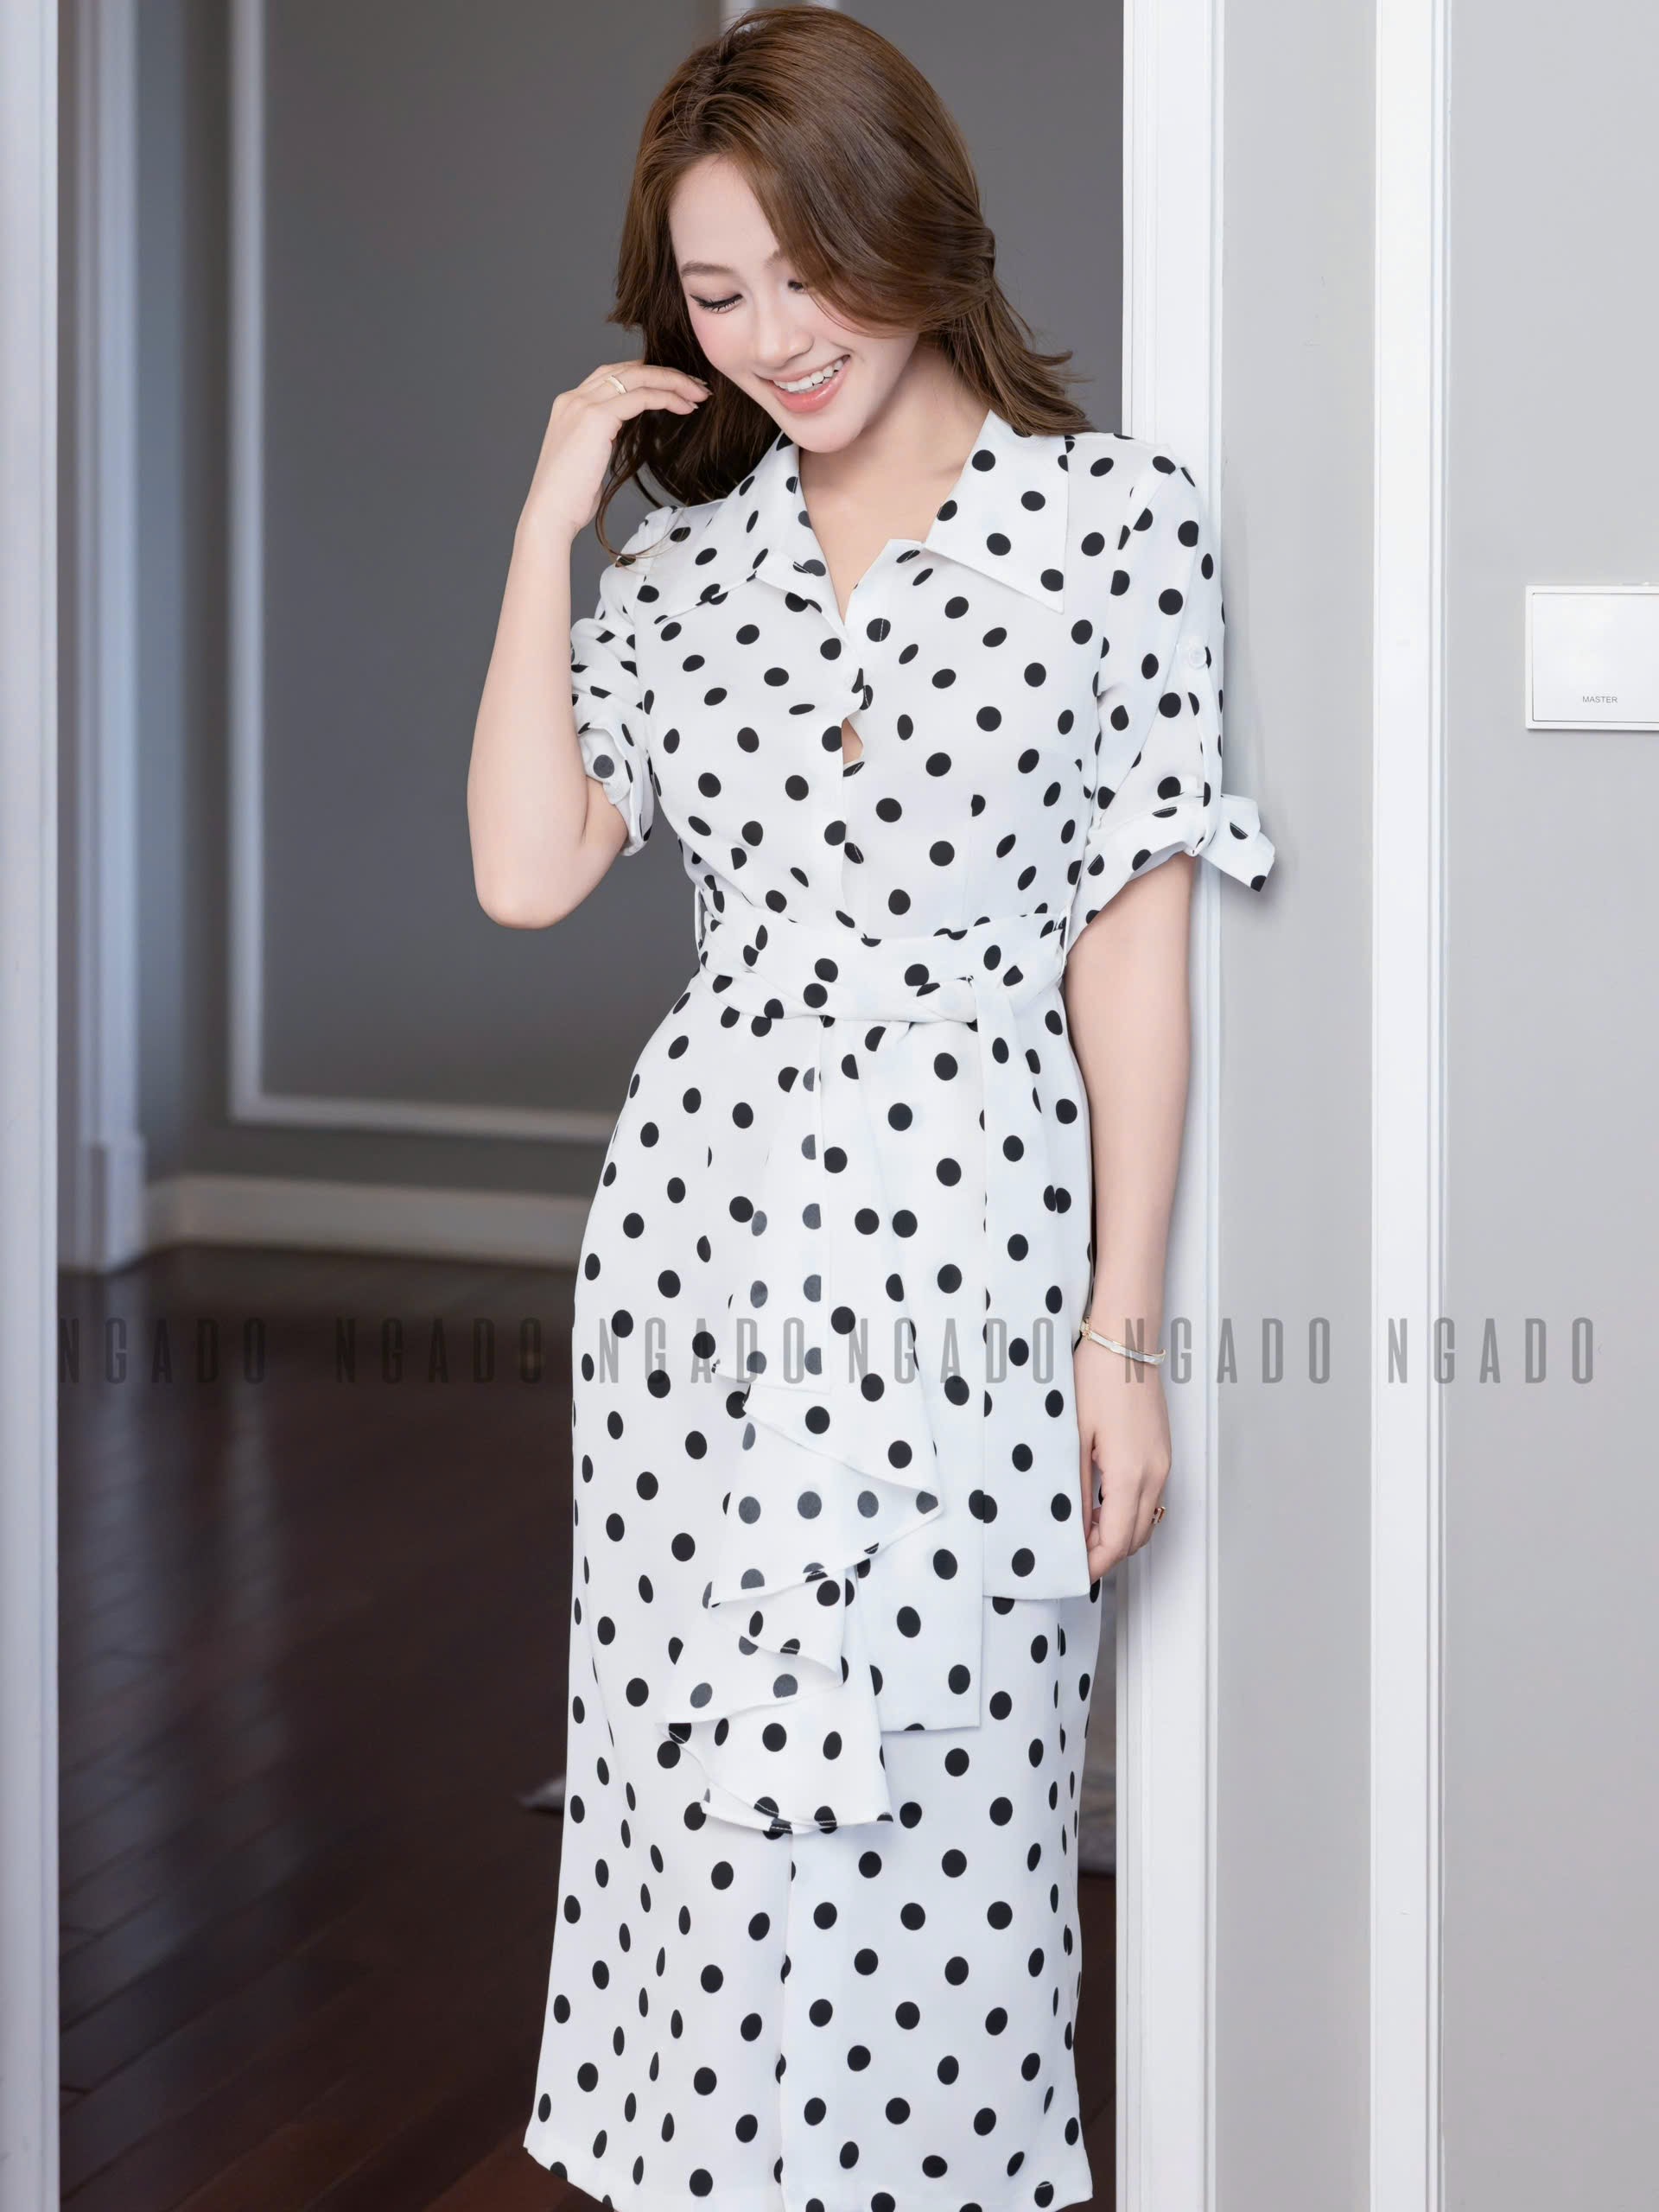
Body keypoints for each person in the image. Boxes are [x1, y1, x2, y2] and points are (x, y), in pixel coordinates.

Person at [467, 10, 1274, 2206]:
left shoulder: (1112, 527)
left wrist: (1123, 1331)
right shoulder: (681, 570)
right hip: (703, 1251)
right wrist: (549, 523)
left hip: (971, 1242)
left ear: (910, 223)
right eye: (719, 294)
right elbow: (529, 869)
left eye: (811, 268)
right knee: (703, 1833)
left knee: (953, 1821)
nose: (779, 336)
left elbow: (1130, 952)